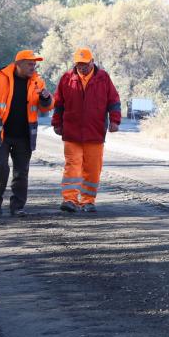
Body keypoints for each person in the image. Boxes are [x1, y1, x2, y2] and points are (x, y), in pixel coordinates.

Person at [0, 50, 54, 216]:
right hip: (1, 133)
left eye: (34, 64)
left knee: (21, 172)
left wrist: (46, 99)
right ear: (18, 64)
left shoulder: (37, 82)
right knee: (1, 167)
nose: (33, 67)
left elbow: (45, 108)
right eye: (29, 64)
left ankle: (17, 207)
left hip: (25, 135)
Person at [51, 47, 121, 213]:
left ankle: (88, 201)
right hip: (71, 132)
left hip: (95, 133)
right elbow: (58, 103)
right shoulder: (67, 78)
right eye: (78, 64)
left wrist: (115, 120)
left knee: (92, 168)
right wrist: (56, 123)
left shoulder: (103, 78)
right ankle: (70, 200)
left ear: (92, 61)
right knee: (72, 166)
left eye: (84, 64)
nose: (81, 67)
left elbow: (114, 101)